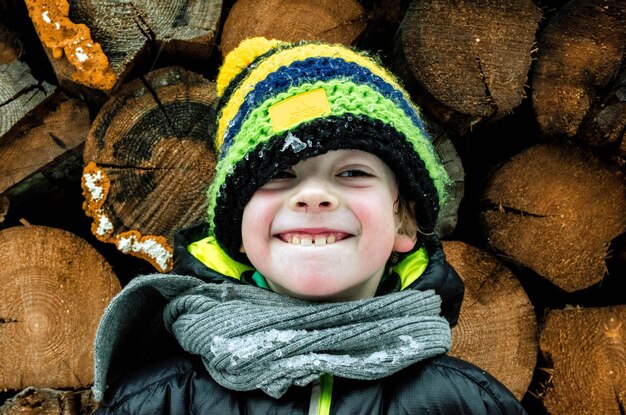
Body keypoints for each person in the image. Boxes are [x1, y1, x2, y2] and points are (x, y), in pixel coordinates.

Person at [92, 37, 527, 414]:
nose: (313, 195)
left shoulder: (467, 402)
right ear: (236, 233)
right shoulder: (160, 401)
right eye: (279, 174)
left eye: (353, 172)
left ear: (403, 223)